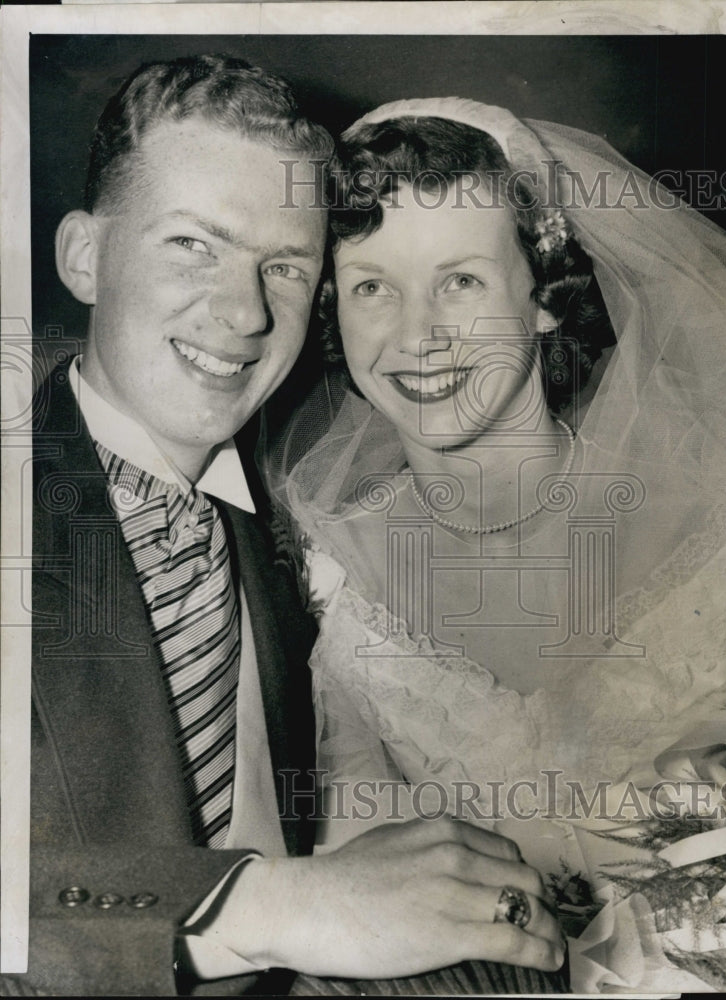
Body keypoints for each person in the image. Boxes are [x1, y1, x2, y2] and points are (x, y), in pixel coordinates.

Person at [13, 65, 566, 996]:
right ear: (82, 256)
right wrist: (270, 907)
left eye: (284, 267)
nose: (244, 313)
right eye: (193, 244)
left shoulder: (292, 540)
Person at [268, 97, 726, 992]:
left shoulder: (720, 501)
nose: (417, 336)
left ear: (547, 295)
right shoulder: (329, 573)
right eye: (373, 286)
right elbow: (356, 876)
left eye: (462, 281)